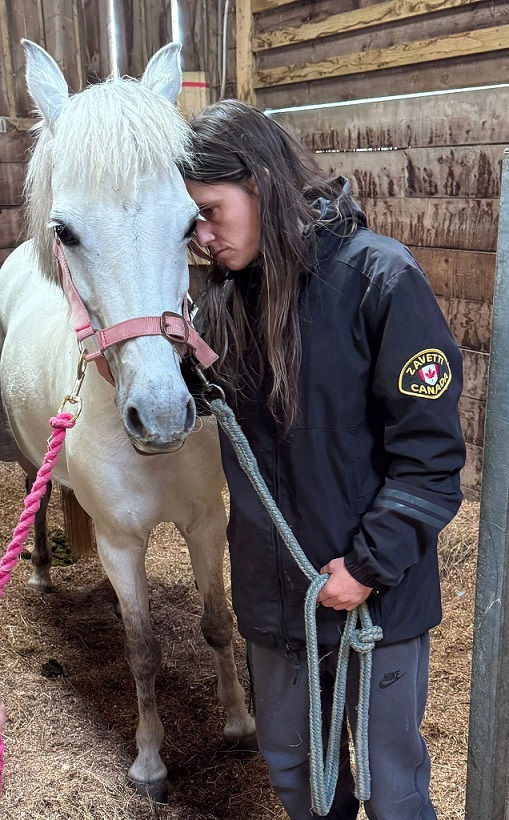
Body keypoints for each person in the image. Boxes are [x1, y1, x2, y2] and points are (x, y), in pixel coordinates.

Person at [180, 99, 465, 820]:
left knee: (390, 787)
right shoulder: (219, 304)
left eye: (212, 211)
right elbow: (185, 408)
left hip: (377, 601)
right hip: (275, 604)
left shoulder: (379, 281)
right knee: (299, 780)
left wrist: (368, 565)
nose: (204, 237)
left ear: (262, 182)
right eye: (192, 222)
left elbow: (430, 458)